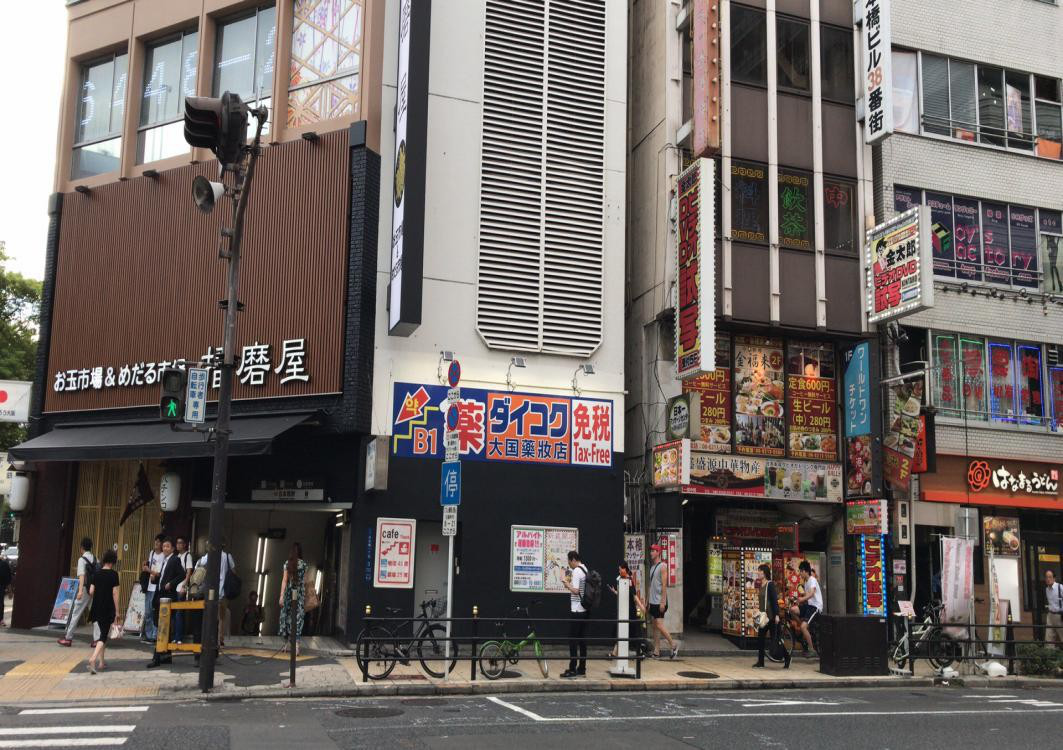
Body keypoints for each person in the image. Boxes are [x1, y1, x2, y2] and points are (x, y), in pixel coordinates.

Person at [147, 538, 184, 668]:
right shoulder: (165, 561)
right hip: (160, 595)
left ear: (172, 548)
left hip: (167, 597)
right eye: (163, 546)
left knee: (161, 627)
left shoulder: (175, 559)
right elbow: (162, 577)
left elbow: (182, 574)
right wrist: (155, 579)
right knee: (164, 627)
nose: (165, 548)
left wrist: (171, 584)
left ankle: (156, 658)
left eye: (167, 546)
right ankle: (166, 656)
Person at [87, 549, 120, 674]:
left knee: (102, 634)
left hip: (96, 607)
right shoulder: (114, 575)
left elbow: (90, 591)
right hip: (108, 608)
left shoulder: (97, 573)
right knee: (103, 636)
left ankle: (101, 663)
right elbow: (115, 593)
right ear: (112, 562)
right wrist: (117, 611)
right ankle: (93, 659)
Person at [196, 541, 236, 646]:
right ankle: (219, 639)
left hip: (211, 591)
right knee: (221, 617)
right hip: (224, 591)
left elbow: (198, 566)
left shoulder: (208, 556)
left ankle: (210, 638)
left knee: (211, 615)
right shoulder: (228, 556)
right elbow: (234, 572)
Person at [58, 538, 96, 647]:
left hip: (84, 589)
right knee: (95, 614)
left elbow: (82, 576)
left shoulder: (81, 560)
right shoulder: (95, 558)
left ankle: (68, 638)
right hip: (93, 589)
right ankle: (97, 640)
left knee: (76, 613)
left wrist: (79, 592)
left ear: (82, 547)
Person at [753, 563, 790, 669]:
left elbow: (774, 601)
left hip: (772, 617)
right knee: (760, 639)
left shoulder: (770, 584)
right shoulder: (762, 585)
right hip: (764, 617)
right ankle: (760, 662)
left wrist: (777, 615)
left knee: (776, 639)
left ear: (764, 573)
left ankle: (787, 658)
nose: (758, 573)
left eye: (760, 571)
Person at [606, 561, 645, 657]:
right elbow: (623, 595)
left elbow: (634, 596)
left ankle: (639, 652)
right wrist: (615, 592)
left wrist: (641, 606)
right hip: (623, 609)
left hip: (630, 610)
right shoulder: (622, 579)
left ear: (625, 569)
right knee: (621, 630)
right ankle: (615, 652)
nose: (619, 571)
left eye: (620, 569)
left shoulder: (629, 580)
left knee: (632, 631)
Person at [561, 550, 589, 678]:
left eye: (569, 561)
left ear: (573, 559)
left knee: (573, 640)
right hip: (584, 610)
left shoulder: (577, 571)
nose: (569, 564)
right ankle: (582, 668)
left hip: (577, 610)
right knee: (582, 640)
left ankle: (572, 668)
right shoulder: (585, 568)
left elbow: (576, 590)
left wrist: (566, 584)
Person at [646, 544, 678, 659]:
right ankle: (656, 651)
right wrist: (648, 601)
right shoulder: (652, 568)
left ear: (658, 552)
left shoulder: (663, 566)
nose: (651, 553)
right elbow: (651, 586)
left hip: (660, 601)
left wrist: (663, 602)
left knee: (659, 624)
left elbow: (664, 585)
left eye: (653, 551)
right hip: (653, 601)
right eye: (651, 551)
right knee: (655, 626)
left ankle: (673, 644)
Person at [278, 542, 307, 654]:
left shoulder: (287, 564)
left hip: (288, 595)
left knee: (286, 618)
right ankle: (297, 646)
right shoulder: (303, 565)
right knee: (298, 620)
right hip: (299, 595)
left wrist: (281, 596)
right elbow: (304, 582)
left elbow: (284, 581)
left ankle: (286, 645)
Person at [789, 560, 822, 656]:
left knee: (804, 627)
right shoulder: (806, 582)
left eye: (800, 571)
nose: (799, 574)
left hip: (815, 607)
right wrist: (796, 599)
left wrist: (802, 598)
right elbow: (806, 596)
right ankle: (803, 628)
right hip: (809, 606)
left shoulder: (812, 580)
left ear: (805, 571)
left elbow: (811, 594)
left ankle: (812, 650)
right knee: (792, 610)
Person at [141, 534, 165, 643]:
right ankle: (148, 634)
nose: (156, 543)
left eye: (159, 541)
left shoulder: (164, 556)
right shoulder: (152, 553)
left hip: (157, 587)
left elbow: (160, 574)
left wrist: (149, 571)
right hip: (149, 586)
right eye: (156, 541)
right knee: (147, 612)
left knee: (155, 611)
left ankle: (155, 635)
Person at [172, 536, 193, 644]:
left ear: (185, 544)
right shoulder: (177, 556)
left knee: (179, 613)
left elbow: (189, 572)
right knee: (175, 612)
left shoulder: (187, 556)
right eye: (177, 543)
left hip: (181, 587)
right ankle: (175, 636)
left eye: (180, 543)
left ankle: (179, 637)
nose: (178, 545)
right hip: (175, 587)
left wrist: (184, 586)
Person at [1044, 570, 1063, 648]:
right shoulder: (1047, 589)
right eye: (1046, 577)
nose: (1048, 579)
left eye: (1050, 577)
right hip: (1050, 615)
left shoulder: (1060, 587)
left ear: (1054, 578)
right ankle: (1050, 658)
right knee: (1048, 639)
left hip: (1060, 616)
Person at [0, 554, 12, 628]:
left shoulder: (4, 564)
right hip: (1, 587)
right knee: (0, 603)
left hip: (1, 586)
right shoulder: (4, 564)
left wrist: (10, 590)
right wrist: (10, 591)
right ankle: (1, 620)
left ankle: (1, 620)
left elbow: (7, 579)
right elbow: (8, 579)